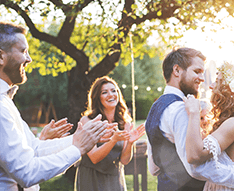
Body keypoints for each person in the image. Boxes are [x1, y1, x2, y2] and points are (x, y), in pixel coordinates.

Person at [0, 21, 109, 191]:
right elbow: (27, 173)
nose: (29, 59)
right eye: (23, 51)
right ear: (1, 57)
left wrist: (78, 139)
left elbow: (34, 149)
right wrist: (77, 148)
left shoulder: (5, 101)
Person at [146, 47, 234, 191]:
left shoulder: (156, 108)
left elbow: (154, 168)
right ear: (177, 71)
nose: (203, 80)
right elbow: (195, 167)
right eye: (197, 71)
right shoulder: (182, 109)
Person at [184, 62, 234, 191]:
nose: (210, 86)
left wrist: (193, 114)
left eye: (217, 81)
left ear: (229, 89)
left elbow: (194, 156)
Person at [75, 76, 145, 191]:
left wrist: (130, 143)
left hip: (114, 178)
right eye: (104, 92)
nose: (111, 95)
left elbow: (124, 160)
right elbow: (94, 158)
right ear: (97, 97)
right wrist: (113, 140)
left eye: (114, 90)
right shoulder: (87, 121)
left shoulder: (124, 123)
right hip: (91, 178)